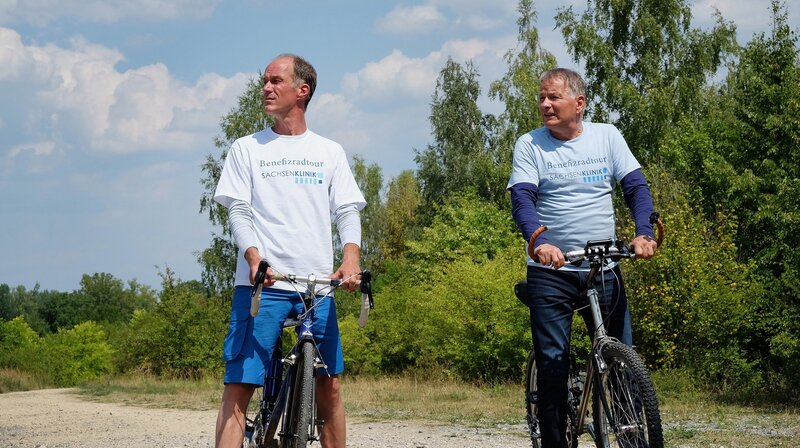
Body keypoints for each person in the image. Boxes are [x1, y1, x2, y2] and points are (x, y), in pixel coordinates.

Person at [213, 53, 366, 448]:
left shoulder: (329, 151)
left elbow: (347, 209)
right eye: (264, 80)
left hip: (317, 289)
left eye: (275, 81)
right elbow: (239, 210)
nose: (265, 87)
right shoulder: (247, 148)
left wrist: (351, 258)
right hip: (263, 286)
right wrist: (253, 257)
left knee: (329, 387)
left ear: (302, 91)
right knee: (241, 386)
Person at [507, 68, 658, 448]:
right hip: (552, 270)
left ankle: (631, 439)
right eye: (541, 97)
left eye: (553, 97)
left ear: (579, 102)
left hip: (603, 266)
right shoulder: (530, 144)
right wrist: (538, 241)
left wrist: (643, 233)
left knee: (622, 365)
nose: (544, 104)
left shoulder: (606, 135)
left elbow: (636, 187)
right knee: (554, 365)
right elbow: (522, 198)